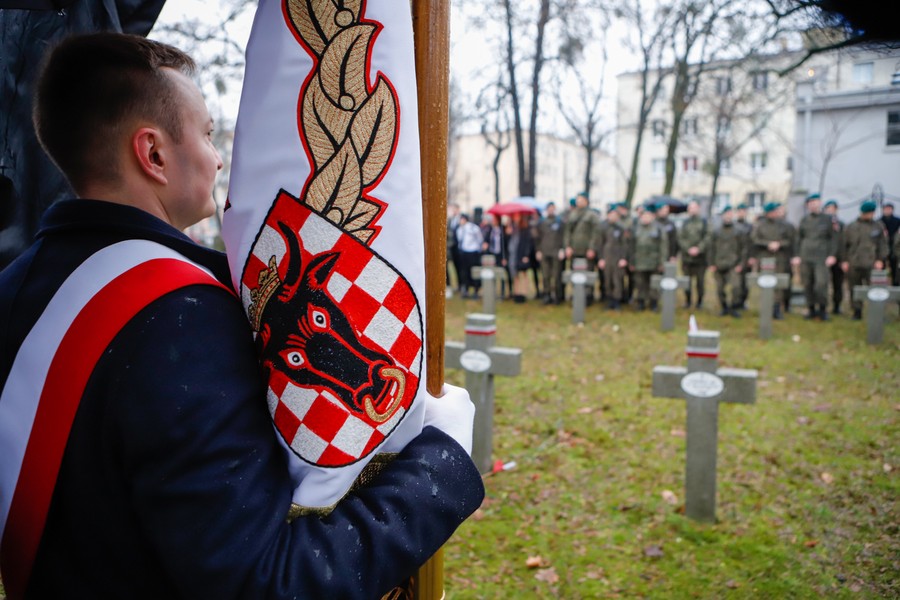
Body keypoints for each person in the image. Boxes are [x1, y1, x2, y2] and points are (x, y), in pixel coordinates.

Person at [0, 33, 483, 599]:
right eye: (206, 134)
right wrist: (440, 466)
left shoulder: (15, 287)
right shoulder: (179, 316)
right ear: (153, 154)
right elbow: (263, 582)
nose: (217, 155)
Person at [792, 194, 838, 320]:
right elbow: (798, 239)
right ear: (808, 206)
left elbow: (834, 238)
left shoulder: (828, 219)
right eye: (810, 203)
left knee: (821, 284)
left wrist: (832, 255)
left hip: (821, 258)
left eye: (815, 202)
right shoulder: (804, 220)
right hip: (806, 256)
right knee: (807, 284)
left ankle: (822, 309)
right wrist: (796, 255)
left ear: (819, 203)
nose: (813, 205)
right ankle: (811, 309)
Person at [843, 200, 888, 320]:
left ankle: (876, 312)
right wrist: (845, 261)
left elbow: (882, 244)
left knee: (875, 289)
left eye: (872, 213)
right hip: (854, 262)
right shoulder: (851, 226)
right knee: (854, 288)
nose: (871, 215)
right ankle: (857, 311)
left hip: (871, 262)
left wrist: (880, 260)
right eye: (869, 213)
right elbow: (844, 245)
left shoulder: (878, 226)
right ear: (863, 213)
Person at [751, 201, 794, 320]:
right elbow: (755, 239)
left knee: (778, 284)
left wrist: (779, 244)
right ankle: (766, 308)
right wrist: (767, 244)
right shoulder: (760, 224)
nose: (775, 213)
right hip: (764, 257)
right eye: (772, 211)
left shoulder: (784, 225)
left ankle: (776, 309)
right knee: (765, 283)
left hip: (780, 258)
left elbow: (790, 240)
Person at [708, 205, 746, 318]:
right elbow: (711, 248)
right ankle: (724, 307)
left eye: (730, 214)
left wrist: (741, 264)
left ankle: (733, 307)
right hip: (719, 263)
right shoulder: (716, 231)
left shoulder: (739, 230)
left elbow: (744, 249)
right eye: (726, 214)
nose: (728, 216)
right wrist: (711, 263)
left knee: (736, 287)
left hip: (733, 264)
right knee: (720, 288)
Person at [629, 205, 667, 311]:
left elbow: (663, 247)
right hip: (639, 261)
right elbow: (631, 246)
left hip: (654, 261)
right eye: (643, 216)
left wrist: (662, 262)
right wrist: (631, 262)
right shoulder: (636, 228)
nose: (645, 218)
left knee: (654, 283)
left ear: (653, 217)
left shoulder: (658, 229)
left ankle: (653, 303)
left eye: (648, 216)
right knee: (640, 283)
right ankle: (641, 302)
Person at [564, 192, 599, 306]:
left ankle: (588, 296)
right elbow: (568, 232)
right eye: (578, 200)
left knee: (588, 272)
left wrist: (592, 248)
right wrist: (567, 246)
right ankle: (576, 295)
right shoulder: (572, 214)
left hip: (586, 250)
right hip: (575, 250)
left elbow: (595, 233)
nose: (579, 202)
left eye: (581, 200)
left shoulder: (592, 215)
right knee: (575, 273)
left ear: (586, 201)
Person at [677, 200, 710, 309]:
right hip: (687, 258)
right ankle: (688, 301)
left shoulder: (704, 222)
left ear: (698, 208)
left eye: (695, 207)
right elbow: (681, 238)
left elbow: (708, 237)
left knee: (700, 282)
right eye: (690, 208)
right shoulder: (684, 223)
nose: (693, 210)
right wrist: (688, 249)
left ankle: (699, 302)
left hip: (700, 259)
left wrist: (698, 249)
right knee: (687, 282)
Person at [597, 203, 630, 310]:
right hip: (606, 258)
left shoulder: (621, 228)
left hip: (617, 258)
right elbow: (600, 244)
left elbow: (624, 244)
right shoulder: (603, 227)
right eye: (611, 214)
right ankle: (608, 300)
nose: (613, 216)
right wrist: (601, 258)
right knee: (607, 280)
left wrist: (623, 258)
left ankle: (617, 301)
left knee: (617, 280)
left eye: (615, 215)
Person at [535, 201, 565, 304]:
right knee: (545, 275)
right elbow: (538, 238)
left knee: (556, 275)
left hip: (556, 251)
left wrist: (562, 249)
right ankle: (546, 295)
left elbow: (563, 237)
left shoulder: (560, 221)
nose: (551, 210)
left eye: (553, 208)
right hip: (544, 251)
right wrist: (538, 250)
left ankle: (557, 295)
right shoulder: (542, 222)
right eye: (549, 208)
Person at [823, 199, 845, 314]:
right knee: (823, 282)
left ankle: (836, 305)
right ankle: (823, 305)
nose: (830, 211)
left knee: (838, 283)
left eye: (832, 209)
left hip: (838, 258)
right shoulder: (821, 224)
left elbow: (843, 242)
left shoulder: (841, 225)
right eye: (828, 209)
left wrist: (842, 258)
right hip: (824, 257)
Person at [507, 212, 534, 303]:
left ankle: (523, 293)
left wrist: (526, 255)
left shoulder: (526, 228)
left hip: (522, 255)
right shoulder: (512, 228)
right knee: (515, 275)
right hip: (514, 255)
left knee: (523, 274)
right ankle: (517, 293)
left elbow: (528, 243)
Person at [456, 212, 483, 298]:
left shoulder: (473, 228)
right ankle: (466, 289)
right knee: (465, 271)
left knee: (474, 271)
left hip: (473, 252)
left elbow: (479, 239)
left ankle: (476, 290)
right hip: (464, 252)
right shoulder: (460, 229)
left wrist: (478, 249)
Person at [733, 203, 753, 309]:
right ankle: (736, 301)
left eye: (744, 211)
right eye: (740, 211)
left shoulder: (750, 226)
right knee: (736, 282)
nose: (742, 213)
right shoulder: (733, 225)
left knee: (746, 282)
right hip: (736, 257)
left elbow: (752, 242)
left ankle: (743, 301)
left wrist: (751, 257)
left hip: (747, 257)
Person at [880, 201, 900, 285]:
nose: (887, 211)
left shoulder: (897, 221)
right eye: (885, 209)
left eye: (889, 209)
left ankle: (895, 286)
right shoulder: (879, 221)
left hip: (894, 247)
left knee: (895, 268)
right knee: (882, 268)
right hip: (883, 247)